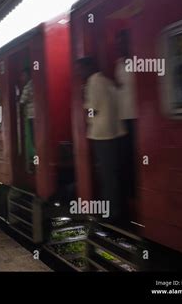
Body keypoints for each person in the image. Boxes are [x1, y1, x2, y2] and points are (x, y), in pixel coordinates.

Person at [77, 56, 126, 222]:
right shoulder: (107, 81)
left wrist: (85, 107)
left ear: (88, 67)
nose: (79, 72)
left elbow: (93, 110)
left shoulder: (93, 82)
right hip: (115, 132)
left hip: (101, 134)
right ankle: (117, 209)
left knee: (106, 176)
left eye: (80, 68)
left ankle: (110, 213)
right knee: (113, 173)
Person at [115, 30, 137, 211]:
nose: (120, 46)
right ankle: (130, 194)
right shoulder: (119, 63)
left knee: (136, 156)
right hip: (124, 117)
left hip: (138, 116)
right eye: (118, 43)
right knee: (126, 157)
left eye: (123, 41)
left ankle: (136, 193)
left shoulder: (139, 59)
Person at [19, 68, 35, 173]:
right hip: (36, 116)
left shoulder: (28, 86)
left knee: (34, 141)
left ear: (28, 75)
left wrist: (20, 113)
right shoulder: (35, 83)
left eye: (23, 75)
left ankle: (36, 162)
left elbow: (22, 102)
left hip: (32, 116)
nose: (22, 78)